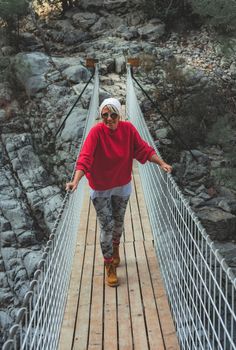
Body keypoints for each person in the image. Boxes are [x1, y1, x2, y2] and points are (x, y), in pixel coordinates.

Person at [66, 97, 172, 287]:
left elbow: (143, 150)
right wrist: (75, 181)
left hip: (122, 186)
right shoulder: (96, 132)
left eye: (113, 114)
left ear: (119, 115)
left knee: (118, 225)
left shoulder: (128, 130)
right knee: (107, 227)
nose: (109, 118)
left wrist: (161, 163)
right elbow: (85, 158)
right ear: (101, 116)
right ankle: (109, 266)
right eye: (104, 115)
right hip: (100, 189)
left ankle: (115, 249)